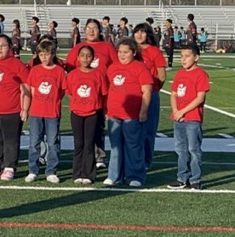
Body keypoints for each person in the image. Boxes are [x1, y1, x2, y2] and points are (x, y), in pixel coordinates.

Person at [64, 19, 119, 169]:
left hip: (101, 91)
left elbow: (115, 67)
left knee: (98, 126)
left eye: (95, 28)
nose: (91, 31)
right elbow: (69, 66)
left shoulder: (107, 47)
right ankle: (82, 161)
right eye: (89, 28)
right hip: (83, 94)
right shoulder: (78, 47)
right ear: (84, 30)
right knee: (82, 133)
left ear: (100, 30)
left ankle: (99, 156)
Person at [104, 38, 153, 187]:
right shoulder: (112, 68)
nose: (122, 55)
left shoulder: (139, 67)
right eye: (120, 52)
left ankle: (134, 176)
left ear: (133, 52)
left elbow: (147, 90)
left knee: (133, 146)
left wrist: (143, 111)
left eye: (126, 52)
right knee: (115, 146)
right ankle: (114, 175)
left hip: (132, 115)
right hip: (114, 114)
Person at [0, 34, 30, 181]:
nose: (0, 49)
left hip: (11, 110)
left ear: (9, 47)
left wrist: (25, 108)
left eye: (3, 46)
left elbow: (26, 86)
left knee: (10, 139)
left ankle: (9, 166)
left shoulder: (17, 65)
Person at [167, 44, 210, 190]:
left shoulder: (200, 74)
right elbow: (173, 94)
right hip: (179, 118)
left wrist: (183, 111)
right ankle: (182, 177)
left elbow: (200, 98)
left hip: (192, 118)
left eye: (187, 56)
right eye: (181, 56)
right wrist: (175, 111)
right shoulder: (179, 73)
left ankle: (195, 179)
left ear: (196, 57)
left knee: (193, 149)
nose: (183, 59)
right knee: (180, 149)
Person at [25, 39, 67, 183]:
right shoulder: (35, 70)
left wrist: (53, 101)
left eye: (47, 54)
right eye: (41, 54)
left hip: (52, 112)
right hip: (36, 111)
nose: (44, 57)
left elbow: (62, 90)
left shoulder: (59, 71)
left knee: (52, 142)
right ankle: (33, 170)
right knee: (34, 142)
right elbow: (31, 89)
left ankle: (51, 171)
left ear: (53, 54)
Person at [65, 45, 108, 184]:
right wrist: (79, 103)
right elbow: (69, 93)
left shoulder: (98, 74)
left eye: (88, 56)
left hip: (93, 113)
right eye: (82, 55)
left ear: (93, 58)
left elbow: (103, 94)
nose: (85, 58)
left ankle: (88, 174)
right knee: (79, 144)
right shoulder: (72, 75)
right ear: (78, 57)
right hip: (76, 113)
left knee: (89, 144)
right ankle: (77, 173)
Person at [133, 23, 167, 170]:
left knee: (148, 130)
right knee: (132, 129)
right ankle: (133, 158)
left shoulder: (154, 51)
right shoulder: (131, 50)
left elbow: (162, 76)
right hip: (133, 94)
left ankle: (146, 161)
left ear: (148, 34)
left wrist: (153, 89)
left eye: (143, 32)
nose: (139, 35)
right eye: (137, 32)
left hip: (150, 94)